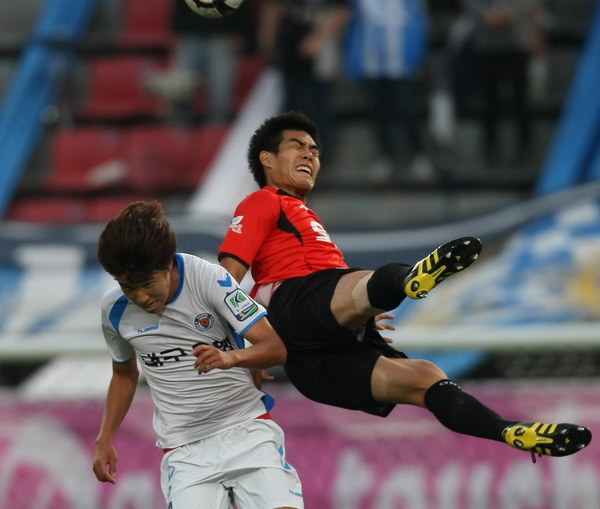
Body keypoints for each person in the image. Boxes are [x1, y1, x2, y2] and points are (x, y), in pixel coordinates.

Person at [217, 110, 592, 460]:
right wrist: (240, 343)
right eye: (297, 146)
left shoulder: (304, 218)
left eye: (315, 150)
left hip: (316, 365)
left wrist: (356, 314)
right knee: (360, 284)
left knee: (426, 377)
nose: (310, 154)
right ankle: (410, 280)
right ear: (267, 159)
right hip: (295, 310)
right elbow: (223, 279)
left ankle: (509, 431)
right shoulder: (262, 202)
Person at [93, 201, 317, 509]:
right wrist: (105, 437)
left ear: (167, 265)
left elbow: (275, 347)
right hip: (187, 454)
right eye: (127, 286)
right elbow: (124, 374)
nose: (139, 296)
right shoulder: (115, 311)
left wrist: (231, 358)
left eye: (146, 284)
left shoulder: (209, 280)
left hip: (247, 433)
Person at [345, 0, 433, 182]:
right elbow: (356, 26)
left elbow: (418, 20)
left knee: (407, 110)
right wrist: (354, 61)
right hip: (372, 63)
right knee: (378, 113)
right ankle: (385, 157)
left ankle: (419, 155)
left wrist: (416, 54)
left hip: (402, 62)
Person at [458, 0, 547, 166]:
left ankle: (525, 148)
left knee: (520, 96)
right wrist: (486, 13)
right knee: (490, 98)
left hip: (518, 38)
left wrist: (512, 12)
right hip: (488, 40)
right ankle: (491, 149)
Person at [258, 0, 349, 159]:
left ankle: (321, 155)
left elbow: (341, 11)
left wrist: (317, 38)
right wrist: (268, 36)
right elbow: (275, 6)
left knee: (319, 103)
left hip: (320, 48)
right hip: (290, 45)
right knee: (291, 102)